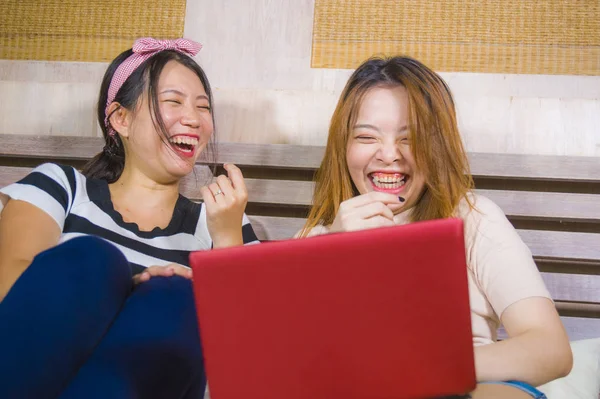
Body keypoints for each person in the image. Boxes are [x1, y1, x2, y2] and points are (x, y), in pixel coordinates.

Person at [298, 56, 572, 398]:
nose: (389, 154)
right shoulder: (313, 241)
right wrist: (332, 254)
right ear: (344, 147)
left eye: (410, 138)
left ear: (436, 146)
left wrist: (423, 365)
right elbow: (288, 361)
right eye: (367, 137)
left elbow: (551, 349)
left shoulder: (472, 218)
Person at [0, 37, 258, 399]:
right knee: (93, 260)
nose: (193, 119)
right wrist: (128, 287)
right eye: (172, 101)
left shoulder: (221, 222)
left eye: (203, 107)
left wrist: (227, 244)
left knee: (174, 297)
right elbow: (11, 290)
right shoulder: (62, 188)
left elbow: (250, 364)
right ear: (120, 118)